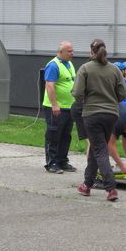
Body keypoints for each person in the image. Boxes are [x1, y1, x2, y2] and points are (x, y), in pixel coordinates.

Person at [72, 39, 126, 201]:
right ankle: (87, 185)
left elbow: (77, 93)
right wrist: (111, 99)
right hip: (111, 114)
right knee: (97, 149)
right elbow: (123, 93)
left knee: (100, 150)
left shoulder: (85, 68)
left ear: (91, 51)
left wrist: (84, 100)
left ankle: (111, 188)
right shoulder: (115, 69)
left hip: (92, 114)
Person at [42, 40, 76, 174]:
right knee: (53, 135)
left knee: (66, 135)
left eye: (72, 51)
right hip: (56, 108)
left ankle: (62, 161)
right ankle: (52, 163)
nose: (72, 53)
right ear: (60, 52)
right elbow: (49, 85)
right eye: (69, 51)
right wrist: (54, 105)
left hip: (69, 107)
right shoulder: (53, 65)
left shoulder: (69, 64)